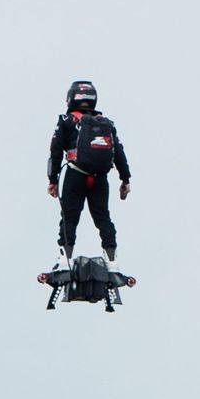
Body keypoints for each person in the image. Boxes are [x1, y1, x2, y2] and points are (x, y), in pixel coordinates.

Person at [46, 80, 131, 267]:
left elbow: (55, 151)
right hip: (99, 178)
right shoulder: (106, 123)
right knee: (102, 217)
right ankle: (111, 259)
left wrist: (52, 180)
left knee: (70, 216)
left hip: (75, 174)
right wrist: (125, 179)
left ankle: (65, 258)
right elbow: (119, 152)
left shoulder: (67, 122)